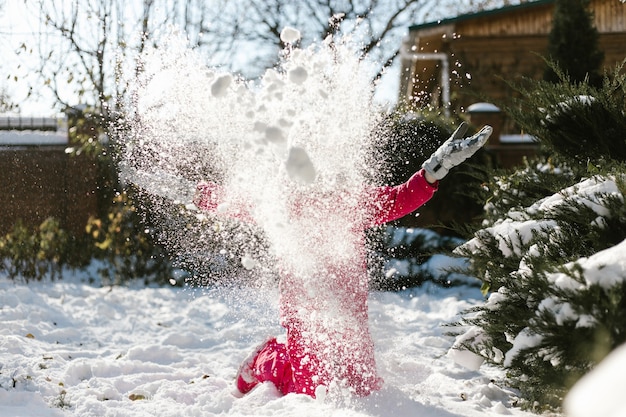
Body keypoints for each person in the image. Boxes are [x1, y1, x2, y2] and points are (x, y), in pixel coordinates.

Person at [195, 122, 493, 398]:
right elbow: (233, 200)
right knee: (310, 392)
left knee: (361, 387)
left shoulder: (351, 201)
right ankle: (268, 357)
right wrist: (192, 192)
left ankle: (284, 358)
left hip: (348, 308)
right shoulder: (283, 202)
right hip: (305, 310)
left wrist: (436, 167)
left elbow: (400, 198)